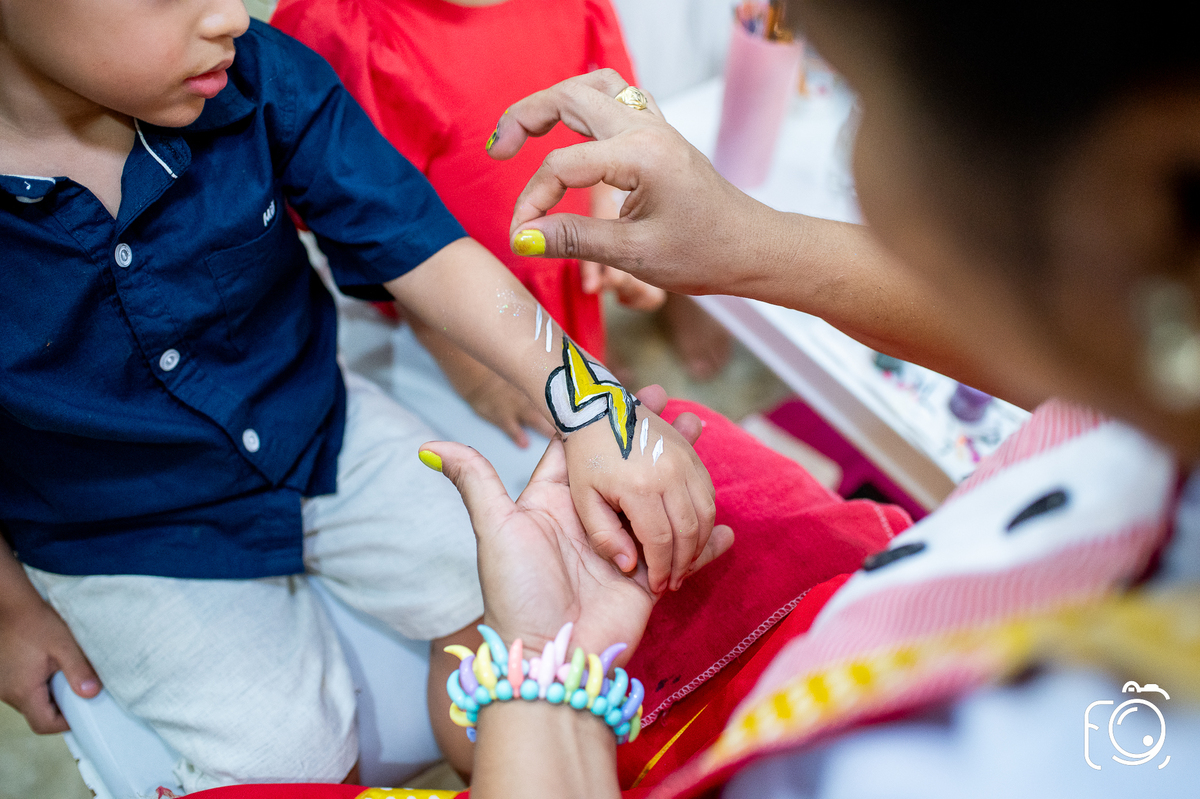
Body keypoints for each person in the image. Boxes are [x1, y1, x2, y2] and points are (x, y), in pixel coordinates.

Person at [425, 0, 1200, 796]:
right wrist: (748, 242)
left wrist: (547, 682)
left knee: (457, 699)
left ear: (1132, 195)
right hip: (856, 614)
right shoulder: (1153, 342)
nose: (852, 158)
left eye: (861, 96)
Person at [0, 0, 721, 789]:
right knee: (289, 761)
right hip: (115, 532)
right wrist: (9, 610)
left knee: (517, 605)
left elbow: (425, 249)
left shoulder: (256, 74)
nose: (231, 15)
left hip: (317, 425)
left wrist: (596, 408)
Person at [270, 0, 667, 464]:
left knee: (585, 377)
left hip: (563, 267)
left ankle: (587, 352)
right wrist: (479, 376)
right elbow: (377, 227)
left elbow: (611, 99)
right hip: (445, 309)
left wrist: (610, 206)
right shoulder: (347, 27)